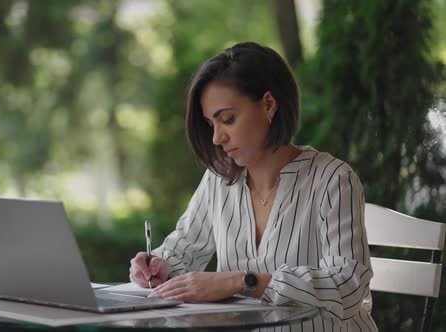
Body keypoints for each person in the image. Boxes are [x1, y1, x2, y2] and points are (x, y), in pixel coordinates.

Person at [128, 42, 377, 331]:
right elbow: (182, 250)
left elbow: (349, 285)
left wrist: (244, 281)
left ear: (269, 104)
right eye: (211, 124)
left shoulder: (333, 179)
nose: (216, 138)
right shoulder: (218, 179)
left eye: (228, 120)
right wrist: (158, 266)